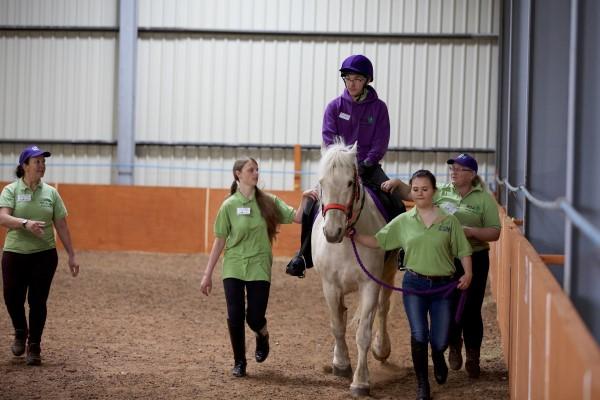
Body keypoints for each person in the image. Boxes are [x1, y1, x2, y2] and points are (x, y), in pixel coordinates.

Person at [351, 170, 472, 400]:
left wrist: (468, 273)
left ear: (433, 192)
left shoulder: (449, 221)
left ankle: (438, 355)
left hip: (443, 287)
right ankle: (422, 385)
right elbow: (378, 241)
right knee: (419, 334)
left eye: (424, 189)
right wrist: (355, 236)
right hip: (414, 285)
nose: (419, 193)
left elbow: (463, 250)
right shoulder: (403, 221)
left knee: (439, 338)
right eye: (415, 189)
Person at [286, 54, 408, 278]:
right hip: (338, 169)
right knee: (313, 202)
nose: (352, 83)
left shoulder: (379, 109)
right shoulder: (334, 107)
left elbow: (381, 141)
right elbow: (328, 139)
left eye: (357, 79)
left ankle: (400, 251)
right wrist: (343, 164)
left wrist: (366, 163)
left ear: (367, 81)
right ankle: (303, 255)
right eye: (348, 79)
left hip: (369, 167)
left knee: (396, 202)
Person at [200, 157, 316, 378]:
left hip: (259, 266)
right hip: (233, 265)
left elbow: (298, 217)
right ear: (238, 174)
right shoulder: (229, 205)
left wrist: (303, 199)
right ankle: (239, 362)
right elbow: (220, 240)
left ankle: (262, 335)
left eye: (257, 169)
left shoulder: (269, 202)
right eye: (250, 170)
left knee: (254, 317)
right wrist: (207, 274)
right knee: (235, 316)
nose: (256, 173)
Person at [0, 145, 79, 366]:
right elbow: (3, 218)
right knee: (12, 298)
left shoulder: (51, 193)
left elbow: (62, 225)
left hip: (44, 256)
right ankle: (19, 330)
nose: (42, 166)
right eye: (37, 162)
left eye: (43, 162)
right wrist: (25, 223)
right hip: (14, 254)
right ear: (25, 166)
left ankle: (34, 345)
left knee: (37, 301)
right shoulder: (11, 190)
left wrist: (72, 254)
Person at [436, 154, 501, 378]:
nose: (453, 172)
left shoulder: (484, 199)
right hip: (447, 258)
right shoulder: (441, 192)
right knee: (449, 306)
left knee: (472, 308)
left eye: (460, 169)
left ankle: (473, 355)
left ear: (472, 175)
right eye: (452, 168)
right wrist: (397, 185)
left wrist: (471, 232)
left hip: (476, 256)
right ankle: (454, 344)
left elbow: (495, 231)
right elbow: (418, 198)